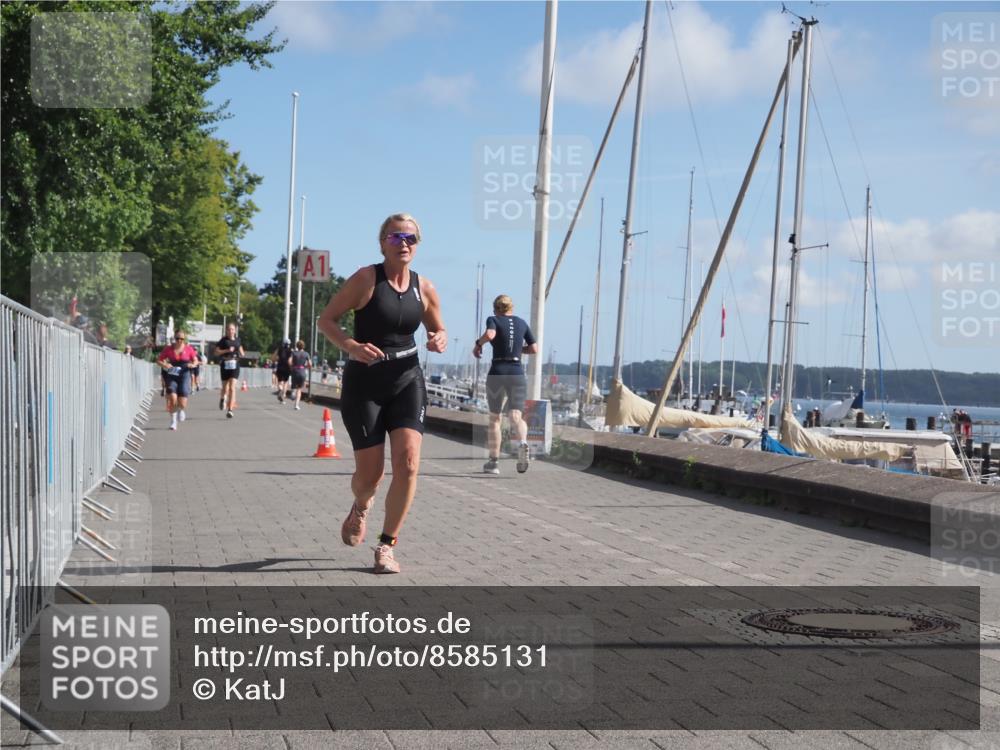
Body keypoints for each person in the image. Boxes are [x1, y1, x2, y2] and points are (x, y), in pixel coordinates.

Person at [317, 213, 446, 574]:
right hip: (365, 384)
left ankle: (386, 545)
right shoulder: (365, 279)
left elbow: (439, 328)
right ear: (382, 243)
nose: (403, 243)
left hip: (407, 380)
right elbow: (326, 320)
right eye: (395, 237)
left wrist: (439, 338)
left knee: (407, 464)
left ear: (417, 245)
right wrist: (350, 345)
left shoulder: (426, 288)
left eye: (411, 238)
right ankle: (361, 506)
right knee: (369, 477)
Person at [472, 294, 538, 475]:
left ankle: (493, 463)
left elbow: (490, 334)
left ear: (495, 309)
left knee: (495, 419)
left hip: (498, 372)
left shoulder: (493, 319)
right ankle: (523, 443)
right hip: (517, 373)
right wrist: (519, 349)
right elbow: (534, 348)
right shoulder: (522, 323)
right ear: (512, 308)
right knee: (516, 416)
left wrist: (478, 344)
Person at [157, 331, 198, 430]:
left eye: (181, 339)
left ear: (184, 339)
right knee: (172, 397)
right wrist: (165, 365)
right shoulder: (168, 349)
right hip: (172, 375)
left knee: (182, 403)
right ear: (174, 338)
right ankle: (173, 421)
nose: (179, 341)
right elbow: (158, 360)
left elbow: (195, 360)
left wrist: (193, 364)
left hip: (184, 375)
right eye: (177, 338)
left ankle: (181, 410)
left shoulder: (189, 349)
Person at [216, 323, 244, 418]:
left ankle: (230, 409)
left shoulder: (238, 340)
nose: (230, 331)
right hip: (225, 365)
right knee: (225, 388)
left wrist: (242, 354)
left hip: (235, 365)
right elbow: (216, 352)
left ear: (235, 331)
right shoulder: (223, 340)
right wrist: (227, 350)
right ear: (226, 331)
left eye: (232, 329)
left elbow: (240, 349)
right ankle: (222, 398)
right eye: (229, 329)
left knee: (232, 387)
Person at [289, 340, 311, 410]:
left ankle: (292, 393)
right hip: (302, 371)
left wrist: (291, 366)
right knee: (299, 389)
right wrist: (305, 367)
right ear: (303, 346)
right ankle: (296, 405)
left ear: (297, 346)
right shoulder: (306, 354)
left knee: (293, 385)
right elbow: (310, 364)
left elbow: (289, 361)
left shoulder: (294, 353)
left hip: (295, 371)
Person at [274, 338, 293, 403]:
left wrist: (276, 360)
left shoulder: (279, 349)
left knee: (280, 381)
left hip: (279, 367)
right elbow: (289, 361)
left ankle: (280, 389)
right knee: (286, 382)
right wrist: (291, 367)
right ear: (289, 344)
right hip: (287, 368)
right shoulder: (290, 350)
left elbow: (273, 357)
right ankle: (283, 395)